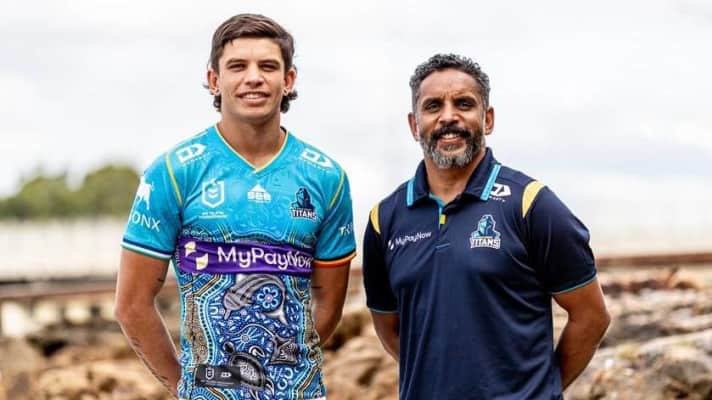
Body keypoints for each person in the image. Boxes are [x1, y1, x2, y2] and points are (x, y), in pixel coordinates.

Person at [114, 14, 356, 400]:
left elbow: (328, 305)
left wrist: (280, 373)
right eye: (238, 66)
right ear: (214, 80)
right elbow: (131, 305)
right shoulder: (174, 172)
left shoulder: (327, 178)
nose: (253, 77)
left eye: (268, 67)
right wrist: (188, 386)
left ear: (288, 80)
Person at [361, 54, 610, 399]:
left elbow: (591, 316)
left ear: (487, 118)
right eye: (433, 106)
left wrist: (540, 390)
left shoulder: (531, 204)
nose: (449, 117)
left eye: (464, 104)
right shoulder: (384, 220)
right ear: (414, 124)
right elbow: (389, 329)